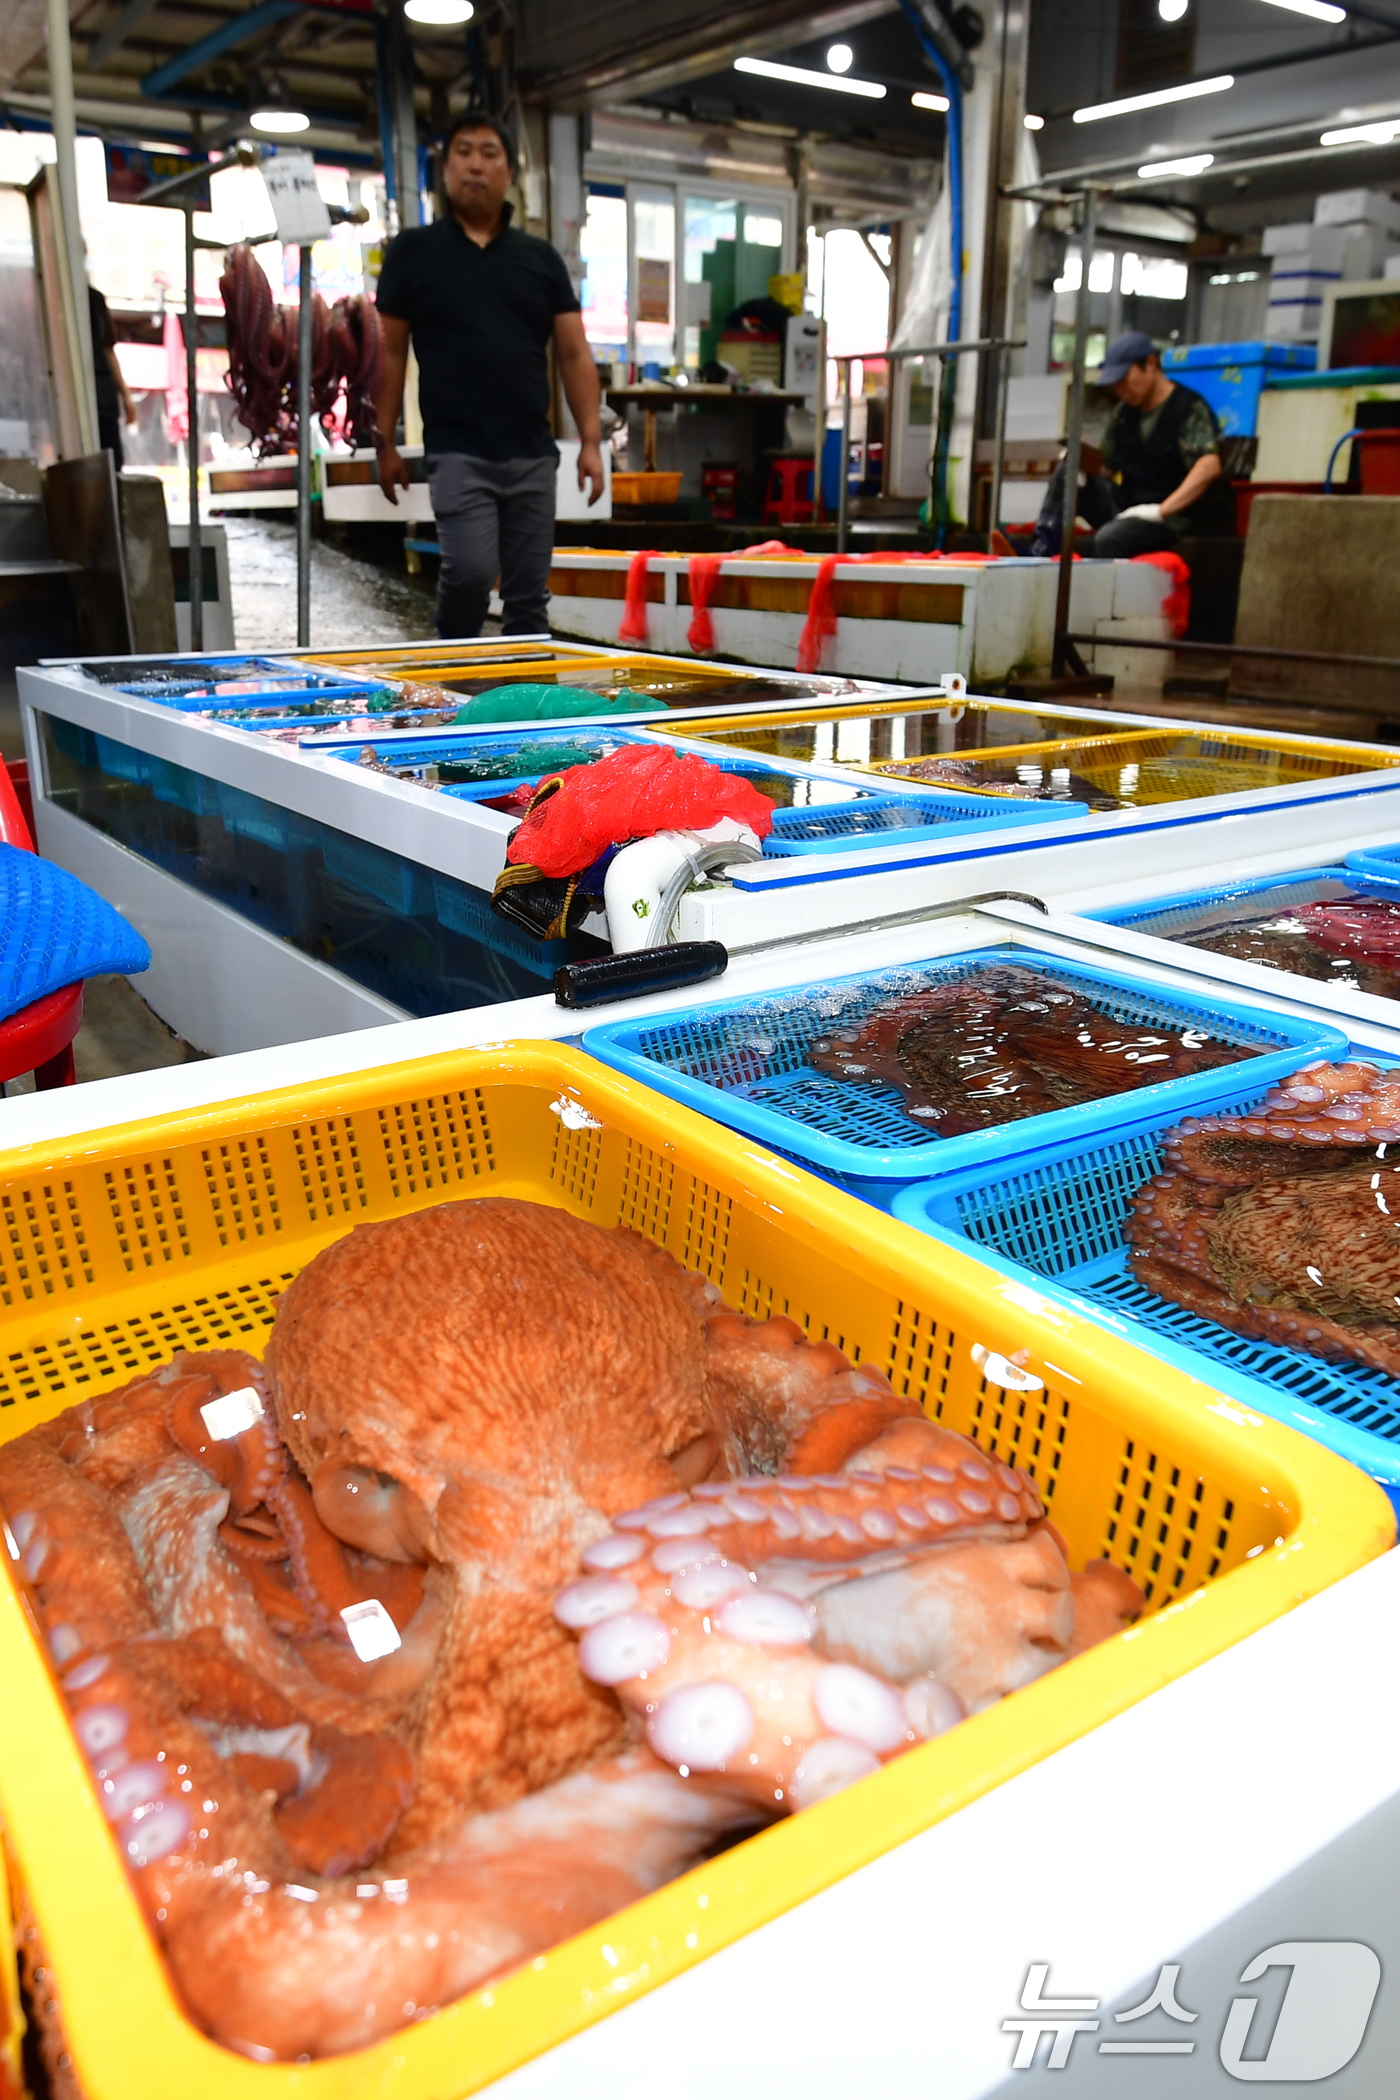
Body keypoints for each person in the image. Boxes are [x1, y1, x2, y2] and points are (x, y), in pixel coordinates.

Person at [374, 109, 605, 638]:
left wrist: (590, 440)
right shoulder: (413, 253)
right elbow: (387, 353)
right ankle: (453, 680)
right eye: (463, 152)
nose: (475, 165)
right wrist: (383, 441)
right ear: (445, 169)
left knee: (528, 598)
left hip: (531, 452)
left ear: (509, 174)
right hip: (457, 451)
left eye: (489, 153)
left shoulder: (541, 259)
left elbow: (573, 353)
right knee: (470, 573)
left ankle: (526, 708)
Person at [1030, 330, 1231, 558]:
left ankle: (1111, 593)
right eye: (1116, 385)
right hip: (1127, 506)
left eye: (1125, 380)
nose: (1121, 391)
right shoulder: (1124, 414)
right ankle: (1041, 552)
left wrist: (1161, 511)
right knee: (1068, 472)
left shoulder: (1187, 408)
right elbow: (1111, 468)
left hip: (1170, 518)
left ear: (1150, 364)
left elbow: (1209, 465)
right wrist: (1084, 461)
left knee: (1110, 538)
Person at [89, 285, 138, 466]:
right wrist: (126, 396)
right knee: (110, 462)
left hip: (102, 395)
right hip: (101, 395)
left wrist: (125, 395)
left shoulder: (93, 298)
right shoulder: (92, 298)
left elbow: (107, 347)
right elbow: (107, 347)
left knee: (111, 461)